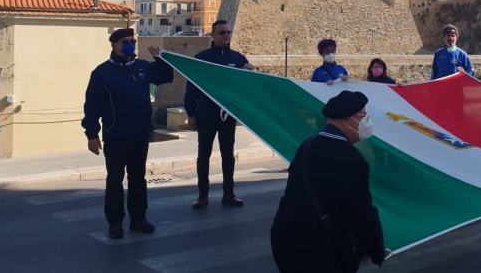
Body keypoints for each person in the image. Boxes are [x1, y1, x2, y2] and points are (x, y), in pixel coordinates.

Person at [271, 91, 387, 273]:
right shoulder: (352, 159)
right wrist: (377, 251)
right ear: (346, 121)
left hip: (284, 239)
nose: (367, 122)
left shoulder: (306, 146)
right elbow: (362, 211)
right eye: (363, 116)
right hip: (319, 250)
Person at [82, 28, 174, 239]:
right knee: (115, 179)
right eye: (125, 41)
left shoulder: (142, 67)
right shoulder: (101, 73)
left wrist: (159, 58)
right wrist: (91, 134)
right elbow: (92, 106)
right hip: (115, 135)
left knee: (138, 178)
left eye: (133, 40)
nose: (130, 44)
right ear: (114, 45)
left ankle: (138, 218)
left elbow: (166, 77)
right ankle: (115, 223)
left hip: (140, 134)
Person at [184, 20, 255, 210]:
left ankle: (229, 193)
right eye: (222, 33)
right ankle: (202, 196)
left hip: (227, 115)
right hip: (206, 113)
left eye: (228, 32)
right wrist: (191, 113)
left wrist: (250, 73)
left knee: (228, 156)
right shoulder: (202, 58)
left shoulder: (238, 58)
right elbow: (192, 88)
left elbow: (248, 86)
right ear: (213, 36)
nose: (226, 35)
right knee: (203, 155)